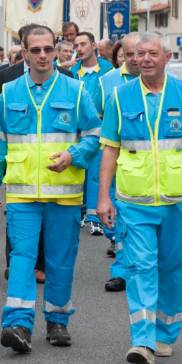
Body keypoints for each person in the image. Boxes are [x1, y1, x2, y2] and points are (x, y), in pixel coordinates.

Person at [97, 32, 182, 364]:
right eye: (138, 54)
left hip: (179, 200)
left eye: (151, 53)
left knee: (176, 268)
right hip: (134, 201)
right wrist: (103, 197)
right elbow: (109, 149)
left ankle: (165, 333)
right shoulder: (120, 97)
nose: (144, 59)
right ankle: (143, 340)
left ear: (166, 58)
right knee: (140, 267)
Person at [0, 25, 101, 354]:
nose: (42, 55)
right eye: (34, 50)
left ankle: (57, 319)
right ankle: (18, 323)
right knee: (22, 258)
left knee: (60, 260)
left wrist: (73, 155)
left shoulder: (75, 91)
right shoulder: (9, 92)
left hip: (64, 193)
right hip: (22, 194)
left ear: (55, 51)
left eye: (48, 49)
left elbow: (94, 135)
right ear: (24, 52)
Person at [94, 32, 140, 293]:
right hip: (119, 166)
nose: (134, 59)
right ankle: (122, 271)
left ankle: (143, 269)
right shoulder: (107, 82)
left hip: (151, 172)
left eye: (139, 53)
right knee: (121, 223)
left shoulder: (162, 82)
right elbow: (101, 122)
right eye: (129, 53)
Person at [71, 31, 113, 237]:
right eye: (76, 45)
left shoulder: (107, 70)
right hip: (76, 129)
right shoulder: (72, 71)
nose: (79, 48)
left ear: (94, 45)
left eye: (83, 44)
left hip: (100, 128)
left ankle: (95, 218)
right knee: (78, 171)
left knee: (96, 173)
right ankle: (79, 211)